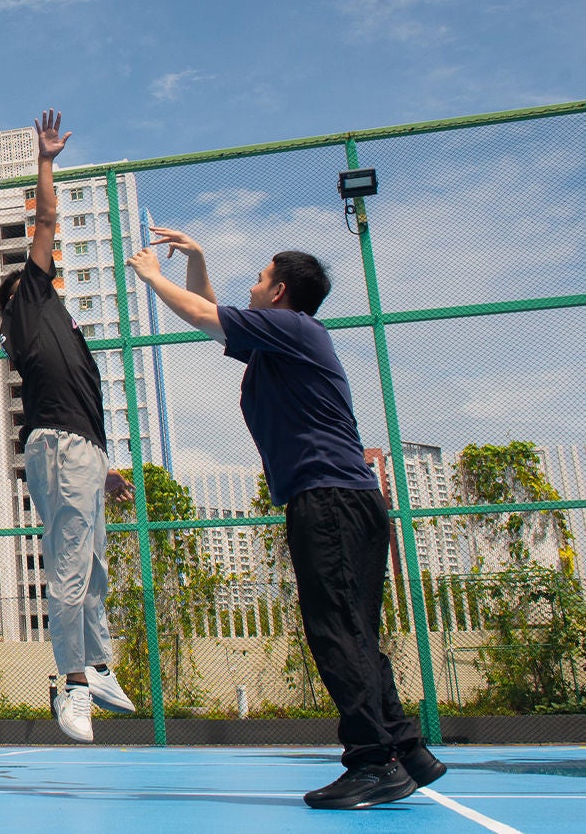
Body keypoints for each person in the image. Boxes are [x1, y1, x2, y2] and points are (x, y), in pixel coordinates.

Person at [125, 228, 447, 809]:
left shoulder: (294, 329)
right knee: (354, 631)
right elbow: (214, 314)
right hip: (347, 500)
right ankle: (407, 748)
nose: (251, 286)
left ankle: (374, 762)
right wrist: (197, 257)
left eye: (260, 277)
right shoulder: (283, 338)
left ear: (278, 293)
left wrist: (153, 276)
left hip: (328, 502)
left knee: (336, 633)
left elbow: (203, 315)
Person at [0, 109, 135, 744]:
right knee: (72, 569)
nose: (55, 272)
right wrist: (46, 160)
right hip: (57, 448)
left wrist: (103, 468)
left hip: (82, 450)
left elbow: (77, 403)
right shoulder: (29, 302)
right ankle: (72, 686)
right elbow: (45, 221)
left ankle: (100, 668)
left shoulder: (61, 326)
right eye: (46, 271)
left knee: (95, 569)